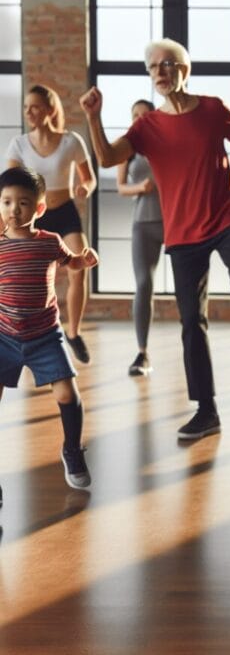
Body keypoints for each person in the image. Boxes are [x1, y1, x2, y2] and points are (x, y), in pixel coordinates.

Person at [79, 38, 230, 440]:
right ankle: (206, 410)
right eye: (153, 67)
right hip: (183, 232)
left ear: (183, 70)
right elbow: (106, 158)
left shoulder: (212, 108)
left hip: (227, 214)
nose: (160, 71)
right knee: (193, 321)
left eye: (167, 64)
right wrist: (93, 117)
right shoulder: (147, 126)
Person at [0, 166, 99, 499]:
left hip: (45, 335)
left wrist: (83, 260)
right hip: (4, 336)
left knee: (67, 394)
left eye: (24, 203)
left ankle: (72, 450)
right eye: (7, 202)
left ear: (39, 208)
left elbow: (70, 262)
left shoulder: (49, 242)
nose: (15, 210)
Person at [6, 85, 97, 364]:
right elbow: (9, 186)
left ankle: (73, 332)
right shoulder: (19, 144)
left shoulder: (72, 141)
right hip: (34, 216)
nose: (30, 112)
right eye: (26, 108)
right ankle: (30, 334)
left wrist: (86, 188)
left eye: (35, 106)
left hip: (65, 211)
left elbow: (90, 178)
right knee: (31, 276)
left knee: (78, 269)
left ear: (49, 109)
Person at [116, 99, 163, 377]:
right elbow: (121, 186)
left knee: (187, 288)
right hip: (143, 224)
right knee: (144, 284)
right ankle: (142, 352)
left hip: (175, 221)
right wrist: (140, 187)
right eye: (134, 115)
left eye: (144, 115)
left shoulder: (167, 144)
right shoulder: (127, 148)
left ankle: (192, 347)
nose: (139, 119)